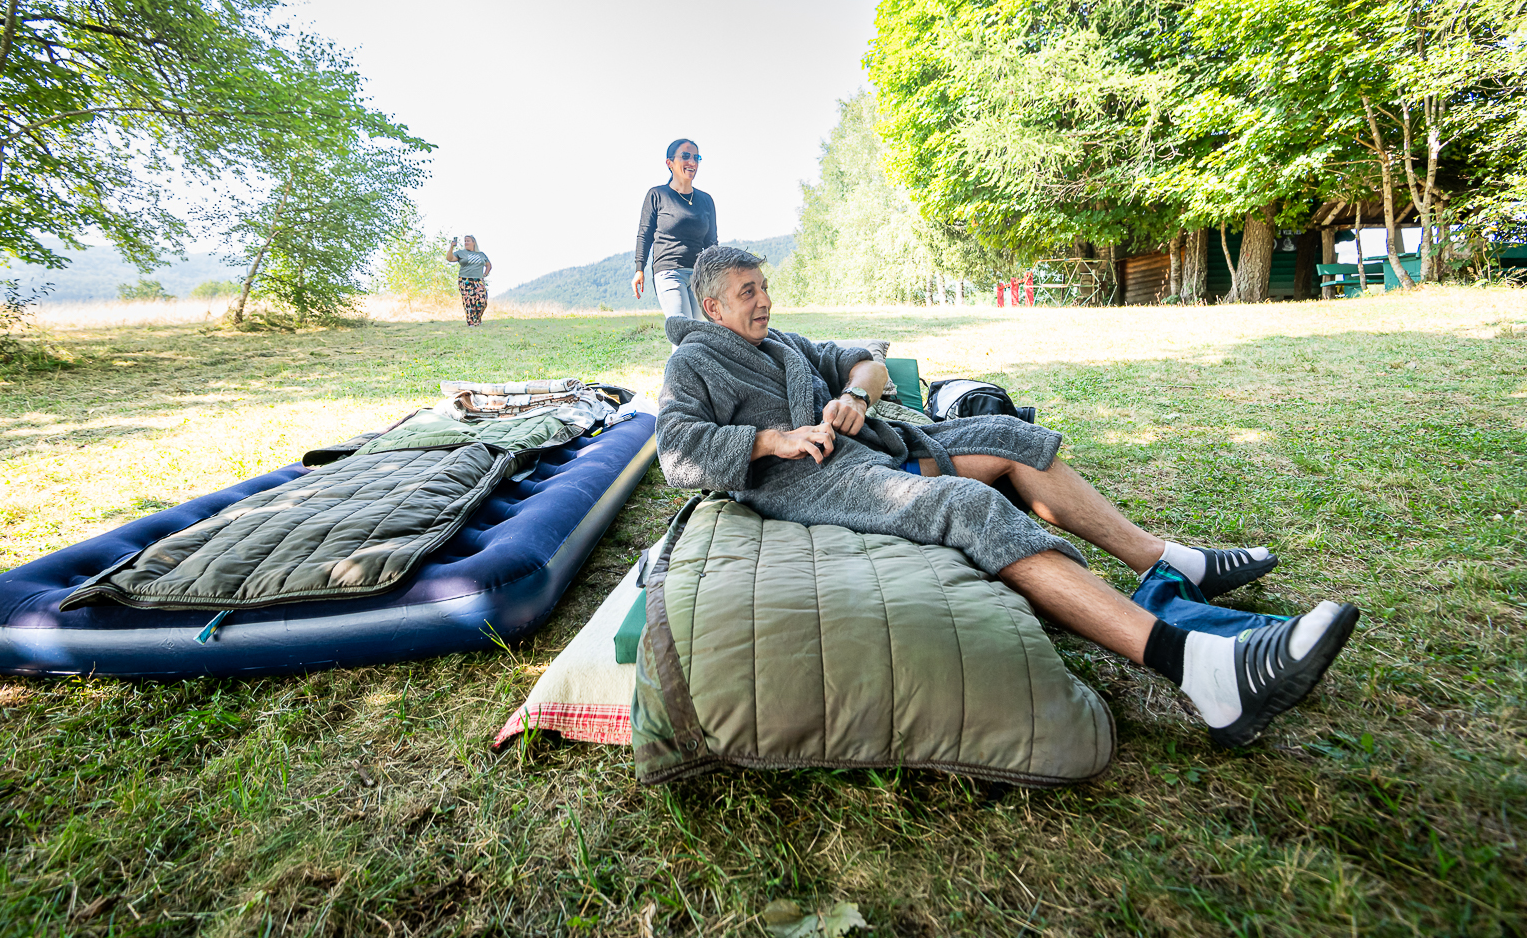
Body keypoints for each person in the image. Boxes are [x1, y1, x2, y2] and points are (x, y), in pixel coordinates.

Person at [656, 245, 1360, 749]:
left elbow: (862, 361)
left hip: (872, 444)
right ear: (712, 304)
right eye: (748, 292)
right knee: (969, 505)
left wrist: (848, 396)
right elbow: (676, 447)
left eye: (764, 286)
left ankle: (1166, 560)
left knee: (1013, 436)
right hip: (809, 480)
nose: (764, 299)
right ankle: (1203, 669)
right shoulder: (692, 360)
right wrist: (771, 440)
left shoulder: (781, 341)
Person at [633, 138, 717, 323]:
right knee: (683, 329)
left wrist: (716, 275)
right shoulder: (657, 195)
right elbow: (645, 234)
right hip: (669, 272)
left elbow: (711, 243)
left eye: (696, 157)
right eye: (685, 156)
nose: (692, 162)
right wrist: (640, 269)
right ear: (669, 163)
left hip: (699, 275)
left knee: (699, 333)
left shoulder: (706, 200)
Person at [446, 234, 492, 327]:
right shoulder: (461, 253)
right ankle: (471, 322)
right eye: (465, 241)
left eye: (468, 241)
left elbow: (489, 265)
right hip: (465, 279)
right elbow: (450, 258)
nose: (466, 242)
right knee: (468, 301)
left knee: (482, 300)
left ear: (473, 242)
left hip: (478, 280)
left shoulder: (481, 254)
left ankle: (477, 319)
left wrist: (485, 274)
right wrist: (451, 247)